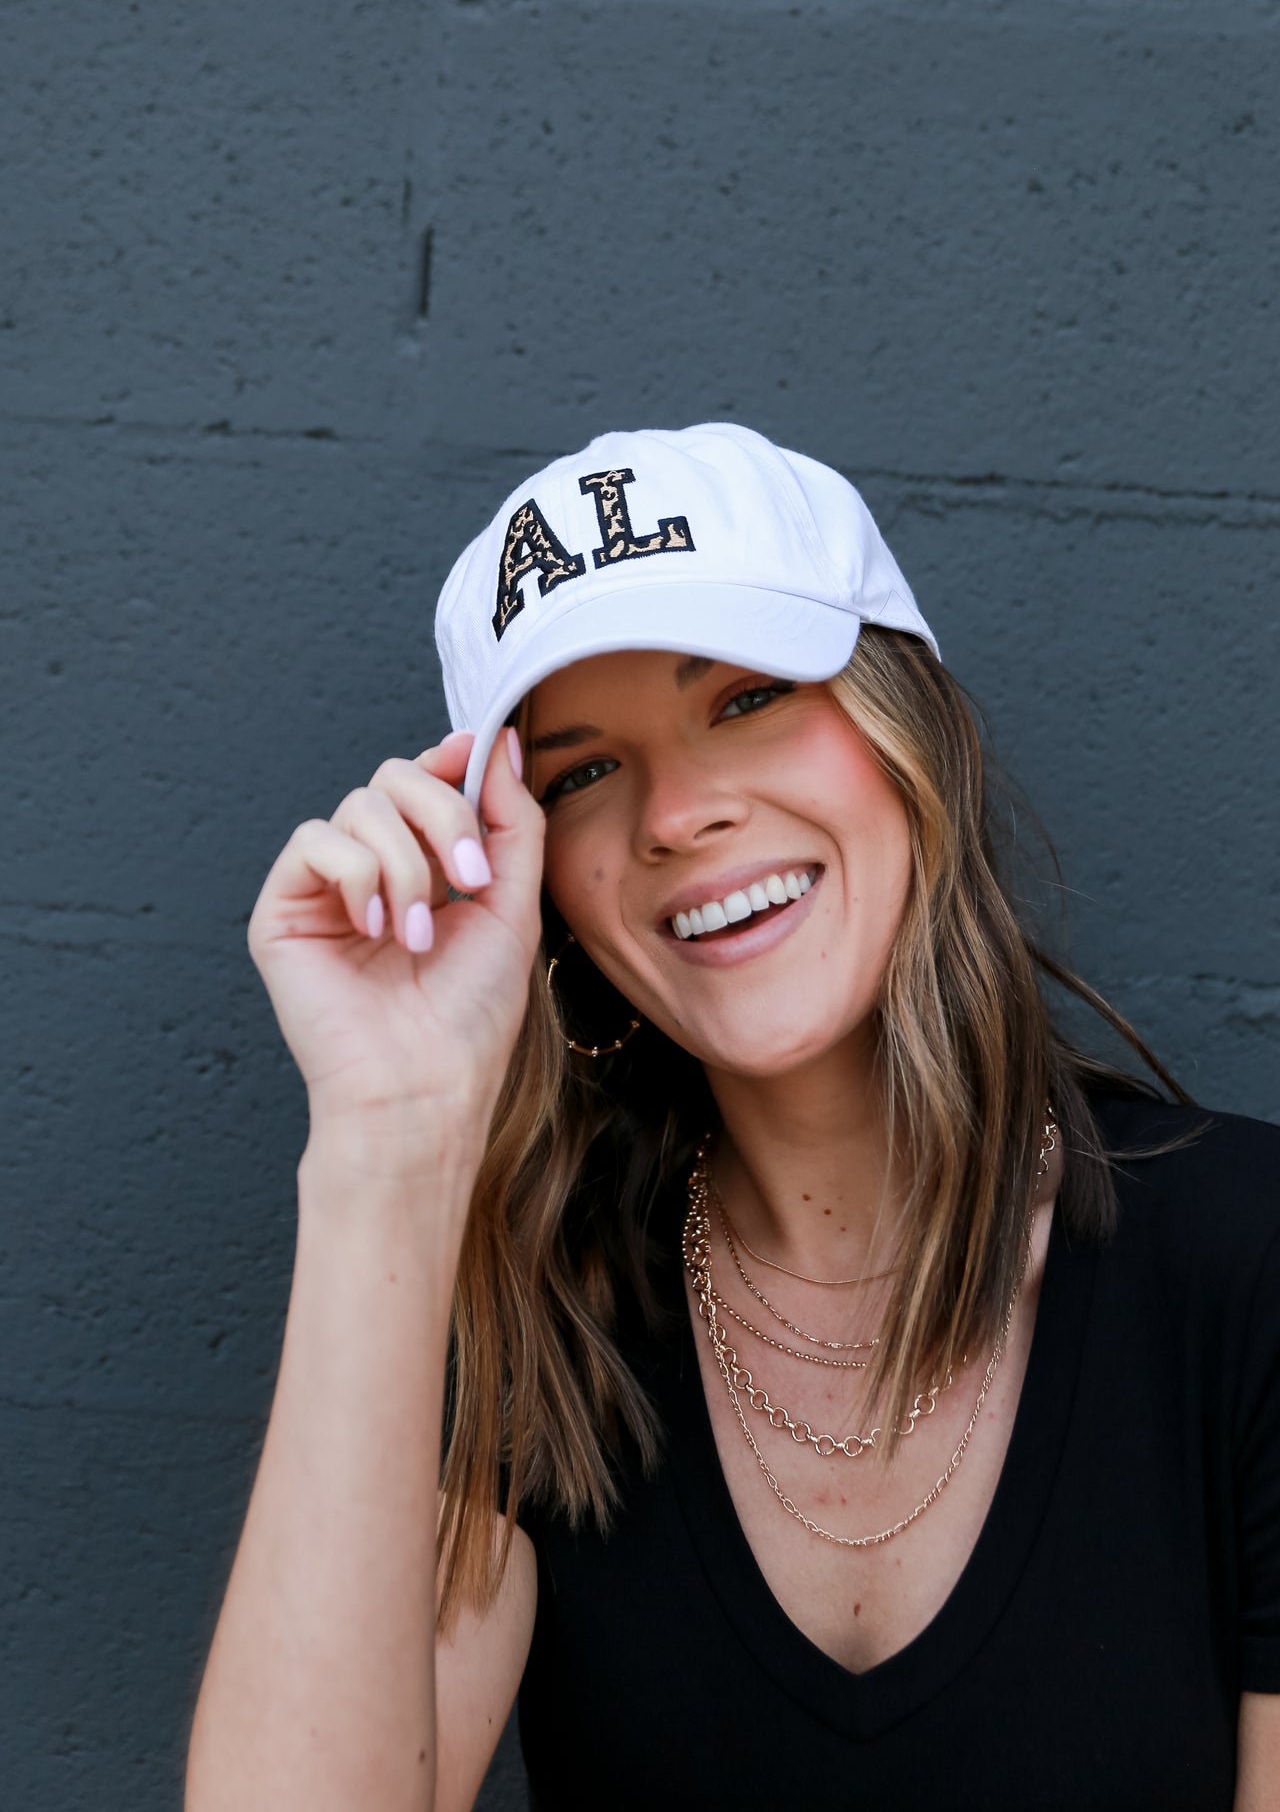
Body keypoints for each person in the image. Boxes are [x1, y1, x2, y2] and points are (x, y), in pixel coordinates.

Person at [186, 423, 1280, 1811]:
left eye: (749, 699)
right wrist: (382, 1140)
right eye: (582, 772)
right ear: (542, 888)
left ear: (909, 732)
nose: (679, 814)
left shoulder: (1247, 1276)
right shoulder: (543, 1330)